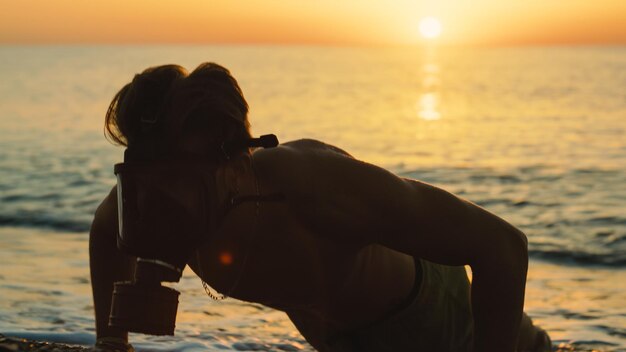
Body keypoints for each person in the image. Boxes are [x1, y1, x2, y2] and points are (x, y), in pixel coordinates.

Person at [89, 62, 551, 352]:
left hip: (434, 317)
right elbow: (105, 229)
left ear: (235, 157)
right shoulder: (150, 188)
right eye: (150, 178)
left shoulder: (308, 183)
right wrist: (111, 339)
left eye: (183, 182)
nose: (165, 202)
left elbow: (502, 246)